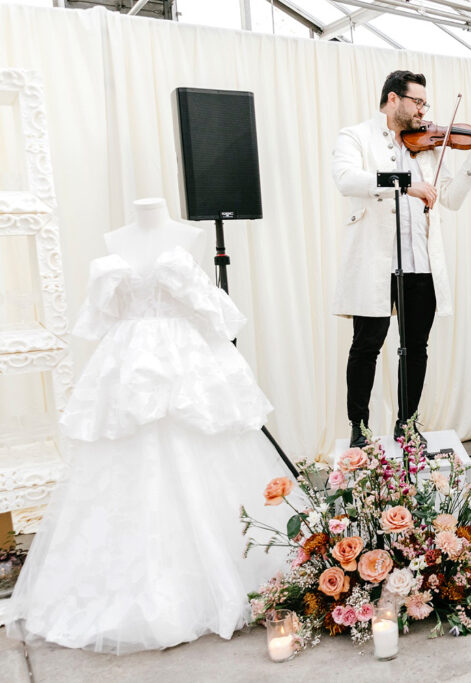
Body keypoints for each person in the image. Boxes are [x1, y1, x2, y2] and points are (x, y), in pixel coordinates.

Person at [6, 198, 291, 654]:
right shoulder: (114, 243)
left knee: (198, 443)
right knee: (126, 459)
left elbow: (210, 312)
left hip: (183, 361)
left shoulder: (187, 237)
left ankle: (218, 576)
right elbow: (99, 317)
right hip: (128, 365)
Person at [332, 70, 471, 446]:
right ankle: (359, 430)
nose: (424, 111)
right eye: (417, 102)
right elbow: (345, 179)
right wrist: (405, 184)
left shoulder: (429, 146)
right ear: (394, 100)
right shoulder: (355, 136)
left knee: (415, 348)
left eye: (425, 104)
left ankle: (407, 426)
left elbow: (451, 199)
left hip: (421, 262)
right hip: (375, 263)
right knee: (366, 346)